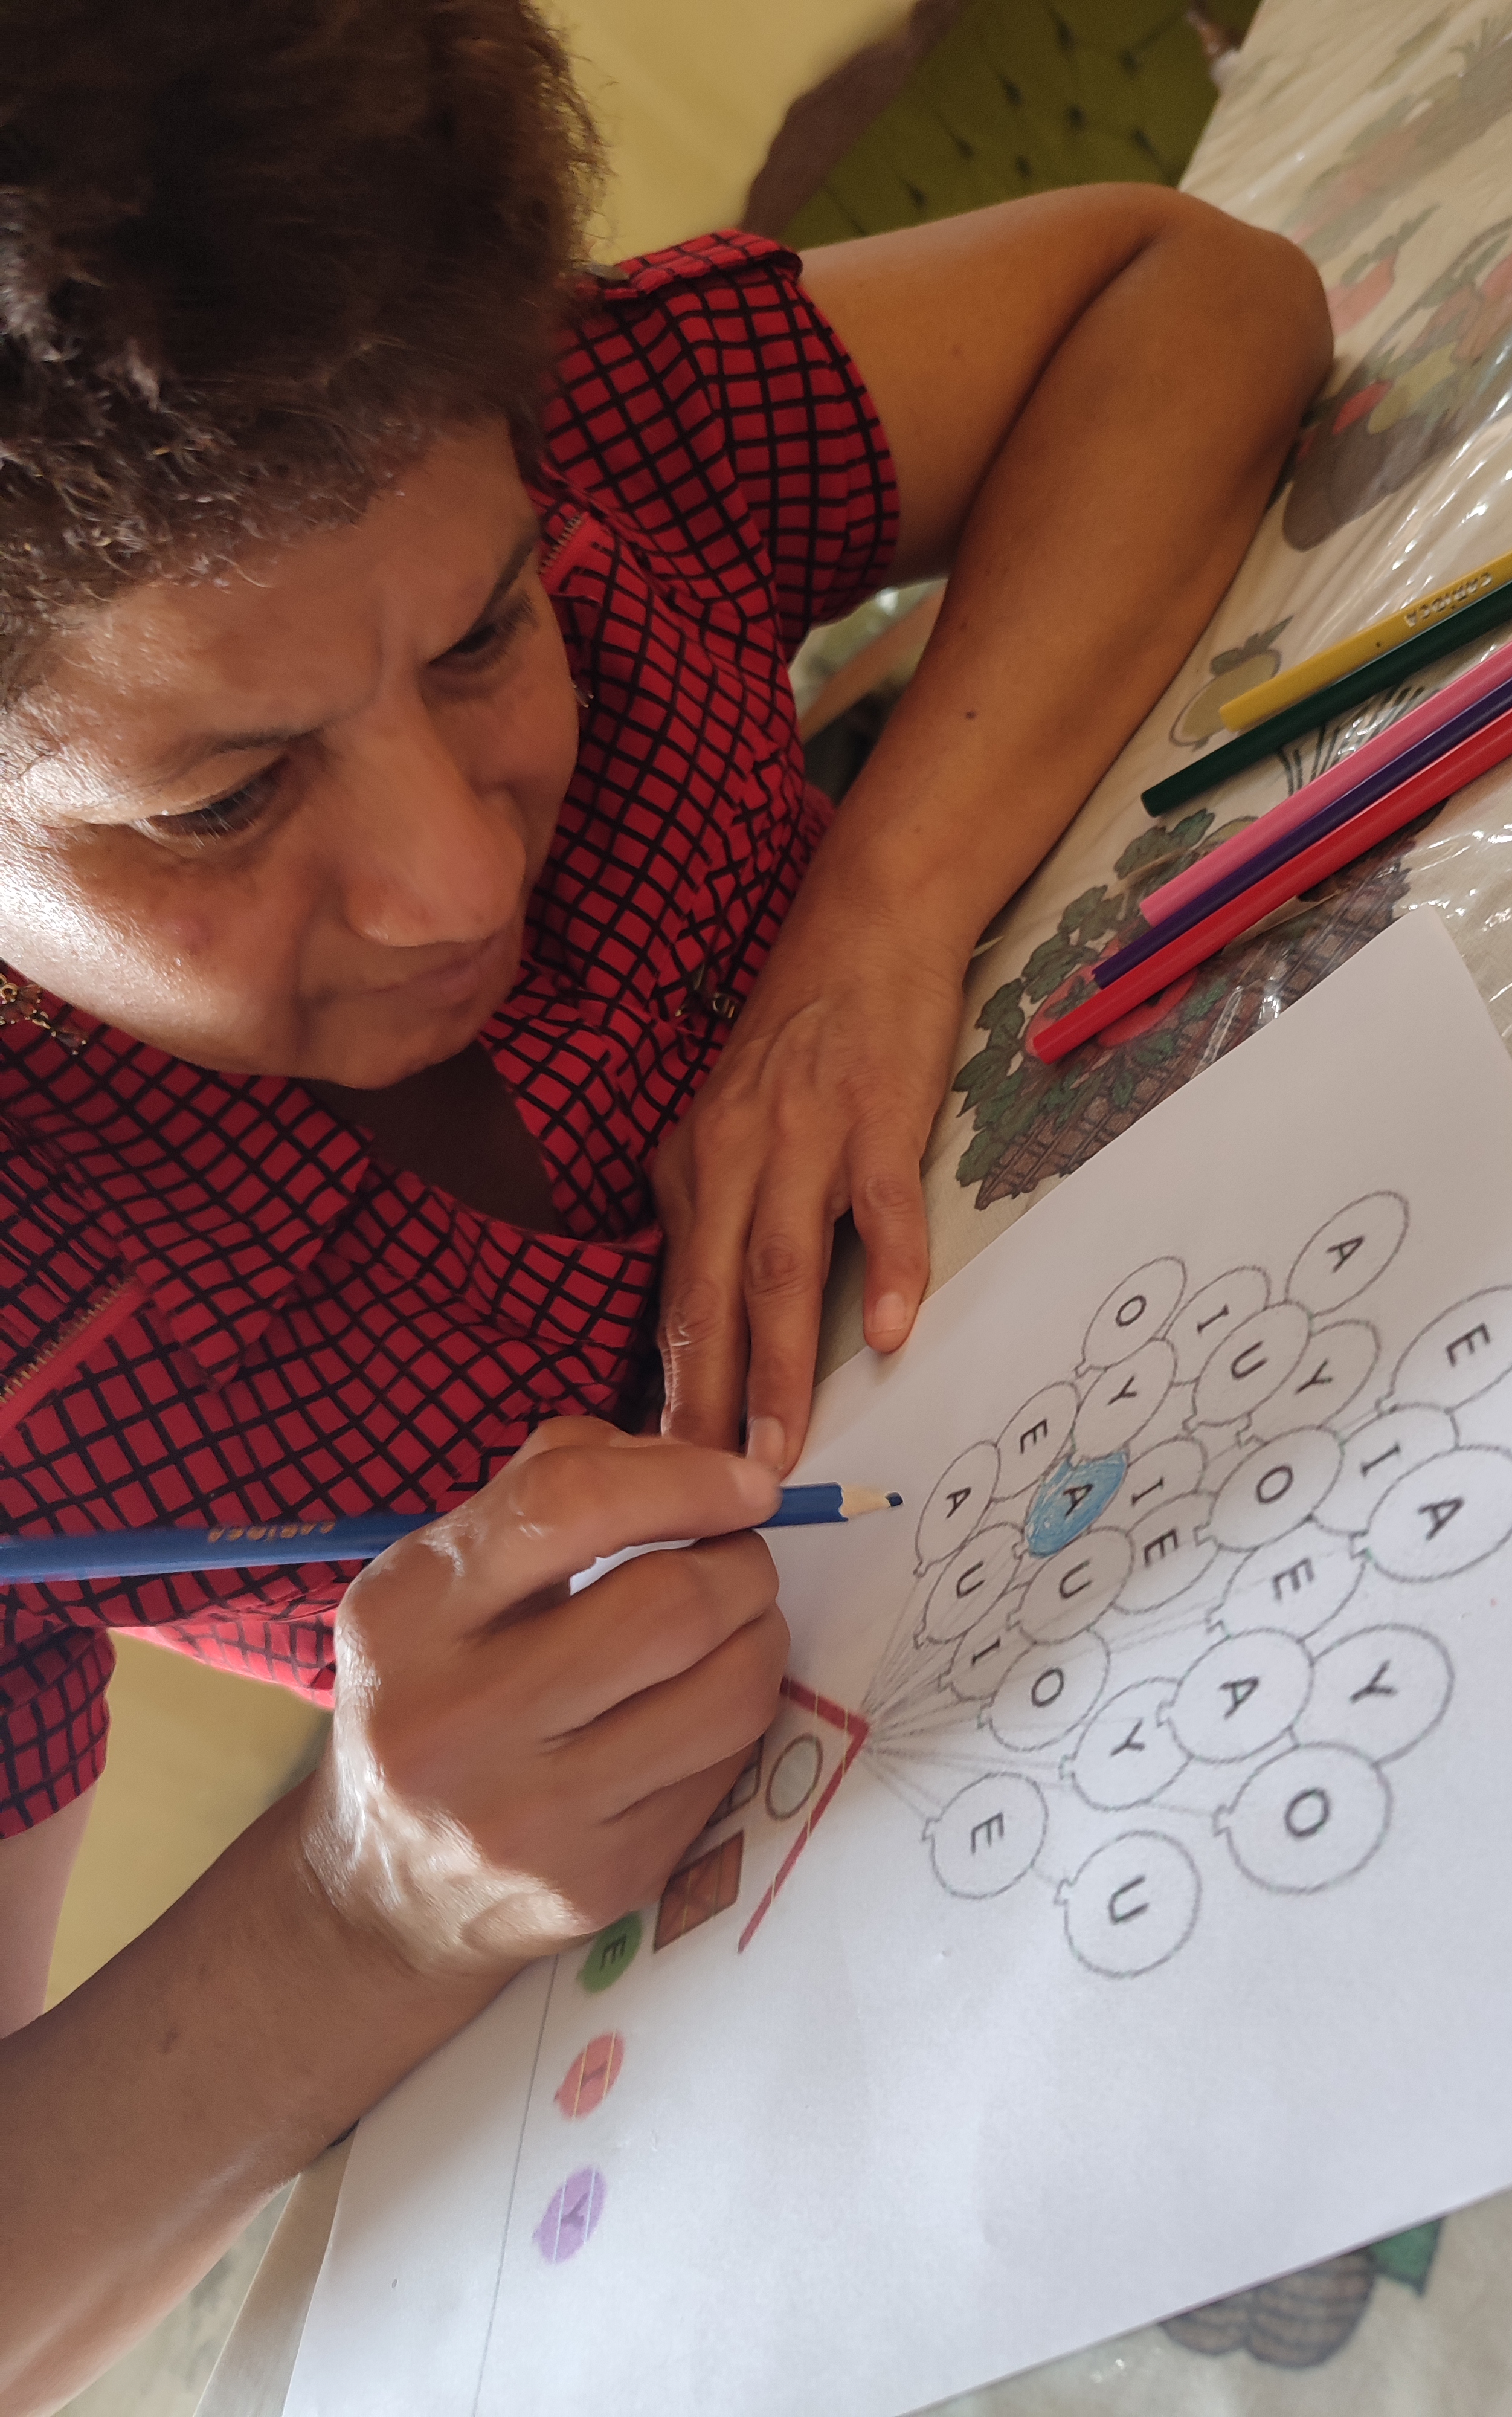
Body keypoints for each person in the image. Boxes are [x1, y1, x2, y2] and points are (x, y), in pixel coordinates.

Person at [0, 1, 1330, 2401]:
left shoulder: (572, 424)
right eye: (220, 803)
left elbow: (1193, 294)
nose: (447, 882)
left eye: (485, 633)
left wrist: (876, 919)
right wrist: (365, 1908)